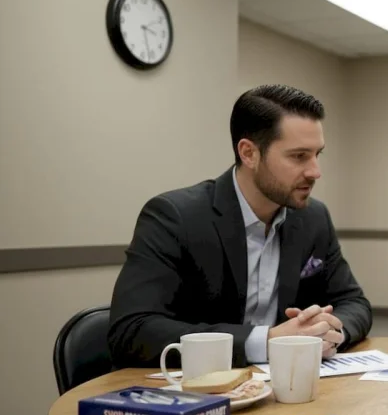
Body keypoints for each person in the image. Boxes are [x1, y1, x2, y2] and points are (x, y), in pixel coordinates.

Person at [109, 84, 373, 369]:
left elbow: (353, 302)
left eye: (317, 154)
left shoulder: (313, 218)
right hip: (193, 392)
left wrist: (330, 331)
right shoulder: (174, 216)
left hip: (280, 390)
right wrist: (266, 340)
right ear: (249, 153)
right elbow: (132, 331)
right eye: (299, 156)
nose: (315, 171)